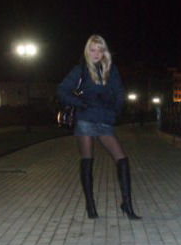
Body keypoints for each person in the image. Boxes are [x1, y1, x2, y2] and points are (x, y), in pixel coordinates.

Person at [57, 34, 141, 220]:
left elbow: (119, 92)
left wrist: (115, 111)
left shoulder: (111, 70)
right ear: (87, 51)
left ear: (104, 52)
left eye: (100, 50)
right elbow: (62, 90)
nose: (96, 53)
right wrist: (80, 104)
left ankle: (127, 205)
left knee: (122, 159)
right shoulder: (80, 69)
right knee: (87, 161)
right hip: (86, 120)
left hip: (104, 121)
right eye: (92, 49)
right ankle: (90, 205)